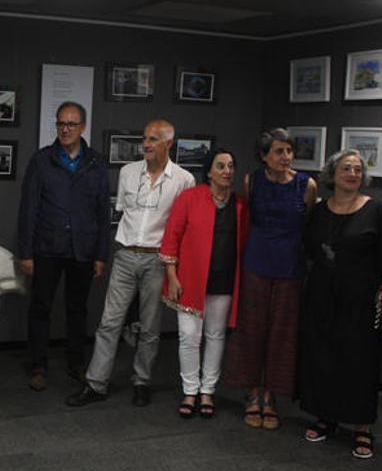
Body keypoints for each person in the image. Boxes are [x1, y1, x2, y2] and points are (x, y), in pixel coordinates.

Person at [66, 120, 194, 408]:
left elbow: (182, 228)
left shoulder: (184, 180)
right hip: (125, 254)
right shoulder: (127, 172)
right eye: (144, 138)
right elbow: (123, 213)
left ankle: (142, 382)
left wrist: (173, 268)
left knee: (149, 326)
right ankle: (96, 384)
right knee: (109, 323)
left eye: (153, 139)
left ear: (168, 144)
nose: (146, 144)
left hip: (157, 258)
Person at [300, 150, 382, 459]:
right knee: (322, 356)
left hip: (361, 301)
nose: (353, 173)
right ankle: (326, 417)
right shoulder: (320, 211)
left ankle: (362, 427)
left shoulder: (375, 211)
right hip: (321, 298)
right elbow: (310, 250)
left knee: (359, 361)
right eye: (346, 168)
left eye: (358, 169)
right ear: (332, 174)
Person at [224, 128, 317, 430]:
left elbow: (309, 225)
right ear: (264, 155)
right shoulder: (253, 181)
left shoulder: (307, 184)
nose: (285, 157)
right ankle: (252, 392)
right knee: (253, 329)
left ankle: (272, 396)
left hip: (290, 265)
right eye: (278, 151)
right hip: (256, 262)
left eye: (289, 151)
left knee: (282, 333)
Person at [17, 101, 110, 391]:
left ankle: (76, 364)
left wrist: (101, 254)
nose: (65, 129)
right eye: (61, 124)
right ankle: (38, 365)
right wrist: (26, 251)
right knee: (41, 307)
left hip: (82, 248)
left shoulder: (96, 162)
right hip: (47, 246)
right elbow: (28, 208)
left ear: (83, 127)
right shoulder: (42, 160)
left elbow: (102, 212)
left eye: (71, 124)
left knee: (78, 309)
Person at [159, 149, 249, 419]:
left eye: (231, 166)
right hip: (189, 282)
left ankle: (208, 390)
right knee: (188, 337)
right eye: (220, 166)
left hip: (224, 282)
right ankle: (190, 390)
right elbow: (171, 237)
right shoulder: (189, 198)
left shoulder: (242, 206)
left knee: (216, 336)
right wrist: (172, 276)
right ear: (209, 171)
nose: (226, 171)